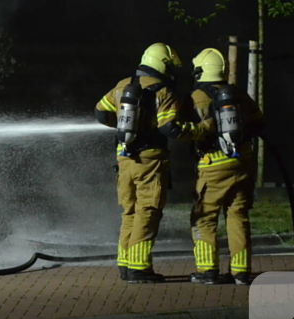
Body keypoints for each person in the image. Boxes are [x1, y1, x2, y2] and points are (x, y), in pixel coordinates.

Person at [94, 43, 187, 283]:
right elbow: (169, 127)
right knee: (148, 210)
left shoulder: (122, 86)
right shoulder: (163, 91)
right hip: (150, 160)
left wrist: (126, 129)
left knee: (130, 211)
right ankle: (139, 267)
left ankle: (125, 265)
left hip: (124, 158)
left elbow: (101, 113)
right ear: (162, 65)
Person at [182, 47, 264, 285]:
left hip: (213, 165)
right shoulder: (238, 94)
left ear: (199, 71)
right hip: (243, 162)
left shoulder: (195, 97)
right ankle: (241, 272)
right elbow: (259, 123)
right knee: (237, 215)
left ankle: (207, 271)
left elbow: (180, 128)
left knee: (204, 217)